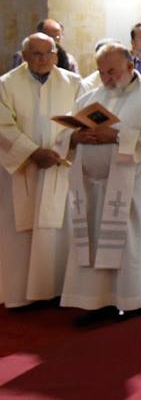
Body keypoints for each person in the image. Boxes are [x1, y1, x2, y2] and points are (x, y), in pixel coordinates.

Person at [60, 43, 141, 319]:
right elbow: (65, 135)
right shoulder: (89, 99)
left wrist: (117, 136)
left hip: (130, 186)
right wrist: (75, 137)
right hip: (92, 188)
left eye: (112, 71)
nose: (106, 78)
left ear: (130, 67)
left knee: (130, 244)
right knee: (95, 243)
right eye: (101, 72)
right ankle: (98, 302)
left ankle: (134, 301)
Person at [0, 33, 83, 307]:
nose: (44, 58)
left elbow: (81, 122)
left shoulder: (74, 83)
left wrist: (61, 149)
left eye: (50, 53)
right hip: (23, 170)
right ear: (24, 56)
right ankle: (20, 296)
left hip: (60, 168)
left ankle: (58, 290)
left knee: (59, 230)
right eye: (37, 53)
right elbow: (3, 126)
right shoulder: (6, 85)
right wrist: (33, 153)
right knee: (20, 231)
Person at [9, 19, 78, 73]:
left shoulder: (69, 59)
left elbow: (74, 82)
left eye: (58, 35)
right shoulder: (23, 57)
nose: (55, 39)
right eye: (50, 36)